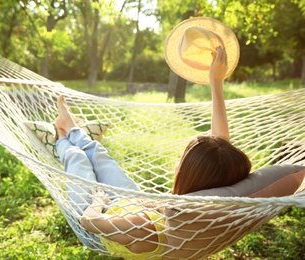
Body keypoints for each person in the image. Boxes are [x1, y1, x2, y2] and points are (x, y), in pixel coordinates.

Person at [54, 46, 251, 259]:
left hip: (96, 215)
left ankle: (60, 137)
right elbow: (219, 148)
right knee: (100, 155)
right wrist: (216, 82)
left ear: (189, 174)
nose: (178, 161)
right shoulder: (201, 196)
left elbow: (89, 222)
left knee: (78, 158)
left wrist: (99, 202)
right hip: (131, 203)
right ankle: (72, 126)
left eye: (182, 159)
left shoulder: (145, 227)